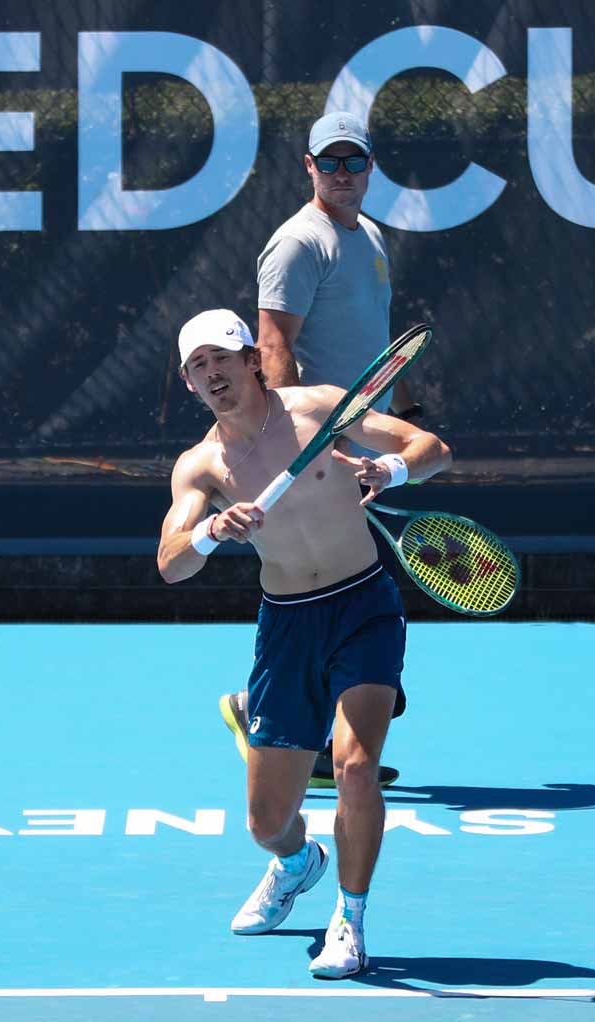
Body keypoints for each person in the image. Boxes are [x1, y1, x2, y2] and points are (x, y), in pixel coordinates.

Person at [158, 309, 452, 979]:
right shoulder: (200, 466)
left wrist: (390, 471)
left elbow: (431, 448)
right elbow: (171, 560)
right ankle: (297, 862)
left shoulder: (322, 410)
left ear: (252, 361)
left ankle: (350, 920)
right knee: (266, 820)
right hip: (287, 625)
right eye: (199, 366)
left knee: (355, 766)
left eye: (223, 359)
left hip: (362, 606)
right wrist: (213, 531)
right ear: (188, 383)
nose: (214, 373)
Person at [220, 110, 415, 789]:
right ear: (308, 167)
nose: (340, 174)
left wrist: (385, 429)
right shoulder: (299, 243)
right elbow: (273, 348)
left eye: (352, 162)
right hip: (317, 447)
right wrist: (298, 448)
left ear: (370, 166)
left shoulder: (369, 236)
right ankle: (268, 706)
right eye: (327, 162)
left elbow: (367, 351)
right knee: (332, 585)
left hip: (357, 442)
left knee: (354, 588)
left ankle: (322, 706)